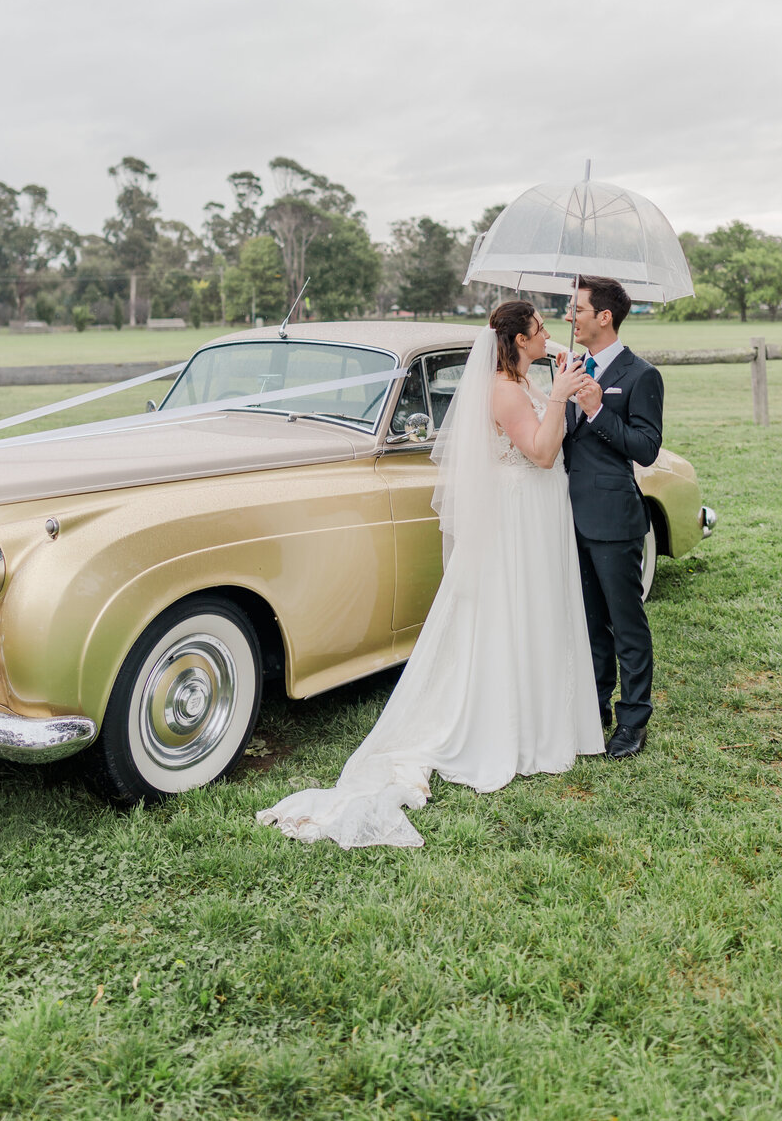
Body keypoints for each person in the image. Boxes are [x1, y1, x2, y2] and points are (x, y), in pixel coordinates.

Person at [256, 300, 603, 848]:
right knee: (512, 611)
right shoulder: (504, 389)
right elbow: (538, 452)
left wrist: (568, 384)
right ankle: (511, 724)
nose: (547, 336)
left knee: (535, 609)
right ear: (517, 342)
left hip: (537, 514)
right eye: (538, 331)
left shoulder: (524, 379)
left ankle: (542, 710)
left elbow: (550, 414)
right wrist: (558, 396)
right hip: (518, 517)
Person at [563, 277, 664, 760]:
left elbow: (645, 449)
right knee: (588, 624)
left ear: (604, 316)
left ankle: (633, 720)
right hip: (567, 519)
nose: (570, 317)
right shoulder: (571, 366)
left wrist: (599, 410)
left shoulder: (641, 375)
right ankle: (594, 709)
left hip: (615, 519)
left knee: (626, 625)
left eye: (577, 309)